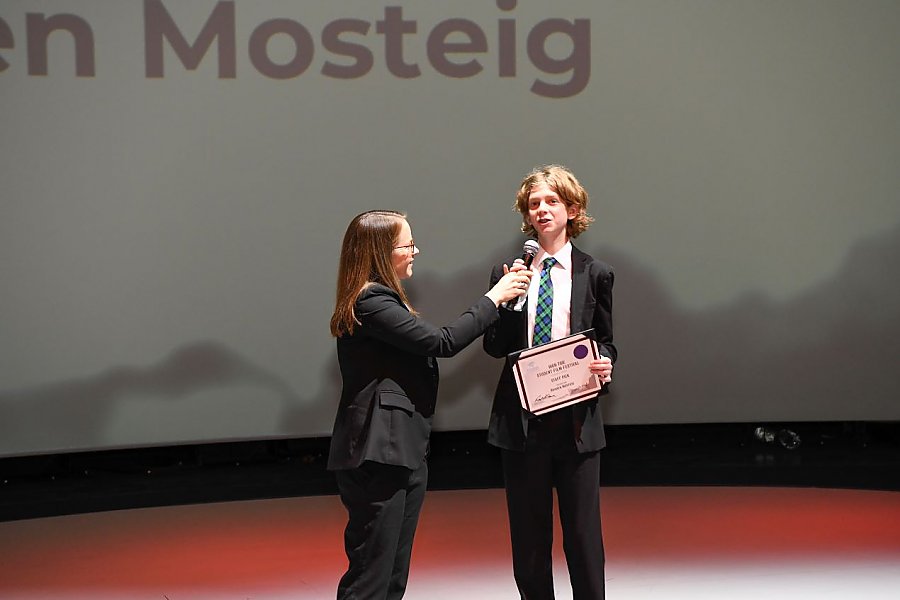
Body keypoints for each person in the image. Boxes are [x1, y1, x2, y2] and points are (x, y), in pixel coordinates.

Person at [327, 209, 532, 600]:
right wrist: (495, 297)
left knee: (391, 577)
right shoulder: (371, 301)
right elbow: (442, 343)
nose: (415, 250)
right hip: (378, 453)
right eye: (407, 244)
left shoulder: (382, 300)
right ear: (381, 252)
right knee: (372, 575)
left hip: (400, 451)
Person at [483, 165, 617, 599]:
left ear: (572, 209)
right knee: (529, 539)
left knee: (583, 538)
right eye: (533, 204)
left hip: (576, 421)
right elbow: (494, 346)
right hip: (522, 424)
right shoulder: (509, 274)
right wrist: (507, 300)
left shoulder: (594, 273)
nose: (540, 210)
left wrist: (604, 364)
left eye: (551, 202)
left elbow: (607, 342)